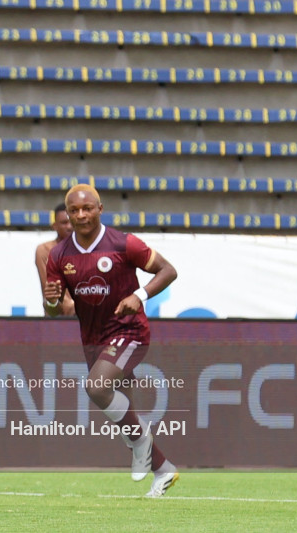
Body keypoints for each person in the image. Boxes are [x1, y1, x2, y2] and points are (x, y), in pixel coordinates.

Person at [43, 184, 179, 498]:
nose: (81, 215)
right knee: (121, 407)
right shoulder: (59, 256)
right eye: (74, 210)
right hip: (93, 340)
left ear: (100, 208)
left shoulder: (123, 244)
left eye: (87, 208)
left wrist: (139, 295)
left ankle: (142, 442)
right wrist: (51, 301)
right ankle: (163, 470)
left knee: (96, 386)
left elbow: (168, 270)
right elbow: (53, 310)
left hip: (129, 331)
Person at [35, 203, 74, 316]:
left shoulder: (87, 249)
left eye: (71, 222)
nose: (69, 227)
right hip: (57, 316)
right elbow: (49, 287)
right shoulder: (45, 250)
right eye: (64, 223)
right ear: (54, 226)